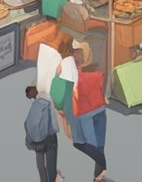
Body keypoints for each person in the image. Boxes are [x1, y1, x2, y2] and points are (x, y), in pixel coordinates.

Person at [68, 48, 108, 181]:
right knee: (100, 144)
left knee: (92, 145)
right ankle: (99, 175)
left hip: (85, 114)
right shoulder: (96, 75)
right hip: (100, 110)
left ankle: (100, 169)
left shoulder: (73, 80)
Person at [24, 86, 61, 182]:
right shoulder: (39, 102)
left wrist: (30, 140)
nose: (27, 93)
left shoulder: (41, 102)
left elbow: (30, 123)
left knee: (43, 167)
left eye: (28, 90)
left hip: (43, 139)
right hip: (46, 138)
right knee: (48, 167)